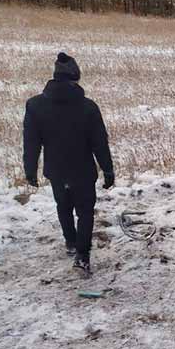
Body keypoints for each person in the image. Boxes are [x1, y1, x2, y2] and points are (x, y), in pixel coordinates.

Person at [23, 52, 115, 275]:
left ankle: (71, 242)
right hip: (82, 170)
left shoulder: (35, 105)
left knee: (63, 206)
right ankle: (82, 257)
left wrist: (30, 169)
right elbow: (99, 143)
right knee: (85, 212)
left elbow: (31, 142)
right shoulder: (88, 107)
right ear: (76, 79)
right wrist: (108, 169)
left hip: (56, 170)